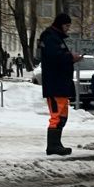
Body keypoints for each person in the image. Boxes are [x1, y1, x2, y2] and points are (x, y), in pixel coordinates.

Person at [38, 13, 82, 156]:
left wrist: (70, 58)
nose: (68, 28)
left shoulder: (55, 38)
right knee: (57, 116)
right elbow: (54, 58)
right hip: (55, 84)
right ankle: (52, 146)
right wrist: (71, 57)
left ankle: (56, 144)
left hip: (61, 84)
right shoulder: (50, 38)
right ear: (59, 24)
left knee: (62, 116)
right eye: (67, 25)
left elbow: (58, 56)